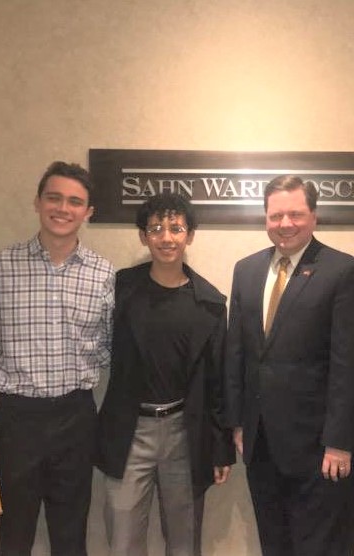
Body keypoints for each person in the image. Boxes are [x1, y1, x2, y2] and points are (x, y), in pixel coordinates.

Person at [224, 175, 354, 556]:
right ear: (265, 218)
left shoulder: (344, 271)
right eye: (276, 215)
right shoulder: (247, 270)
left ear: (314, 216)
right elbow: (238, 352)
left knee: (320, 546)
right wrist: (239, 422)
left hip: (320, 448)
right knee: (275, 543)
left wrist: (339, 442)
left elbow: (350, 365)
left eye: (295, 214)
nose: (285, 224)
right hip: (263, 444)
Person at [95, 193, 235, 556]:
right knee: (123, 540)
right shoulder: (121, 288)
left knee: (184, 541)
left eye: (176, 228)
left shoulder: (210, 302)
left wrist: (220, 448)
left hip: (184, 432)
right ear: (144, 236)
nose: (166, 237)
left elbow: (220, 382)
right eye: (156, 228)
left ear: (189, 235)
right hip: (130, 429)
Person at [0, 161, 115, 556]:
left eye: (75, 201)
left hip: (75, 418)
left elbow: (110, 345)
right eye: (54, 198)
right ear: (38, 202)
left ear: (88, 212)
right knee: (13, 536)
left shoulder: (104, 274)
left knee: (70, 535)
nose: (63, 208)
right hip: (15, 419)